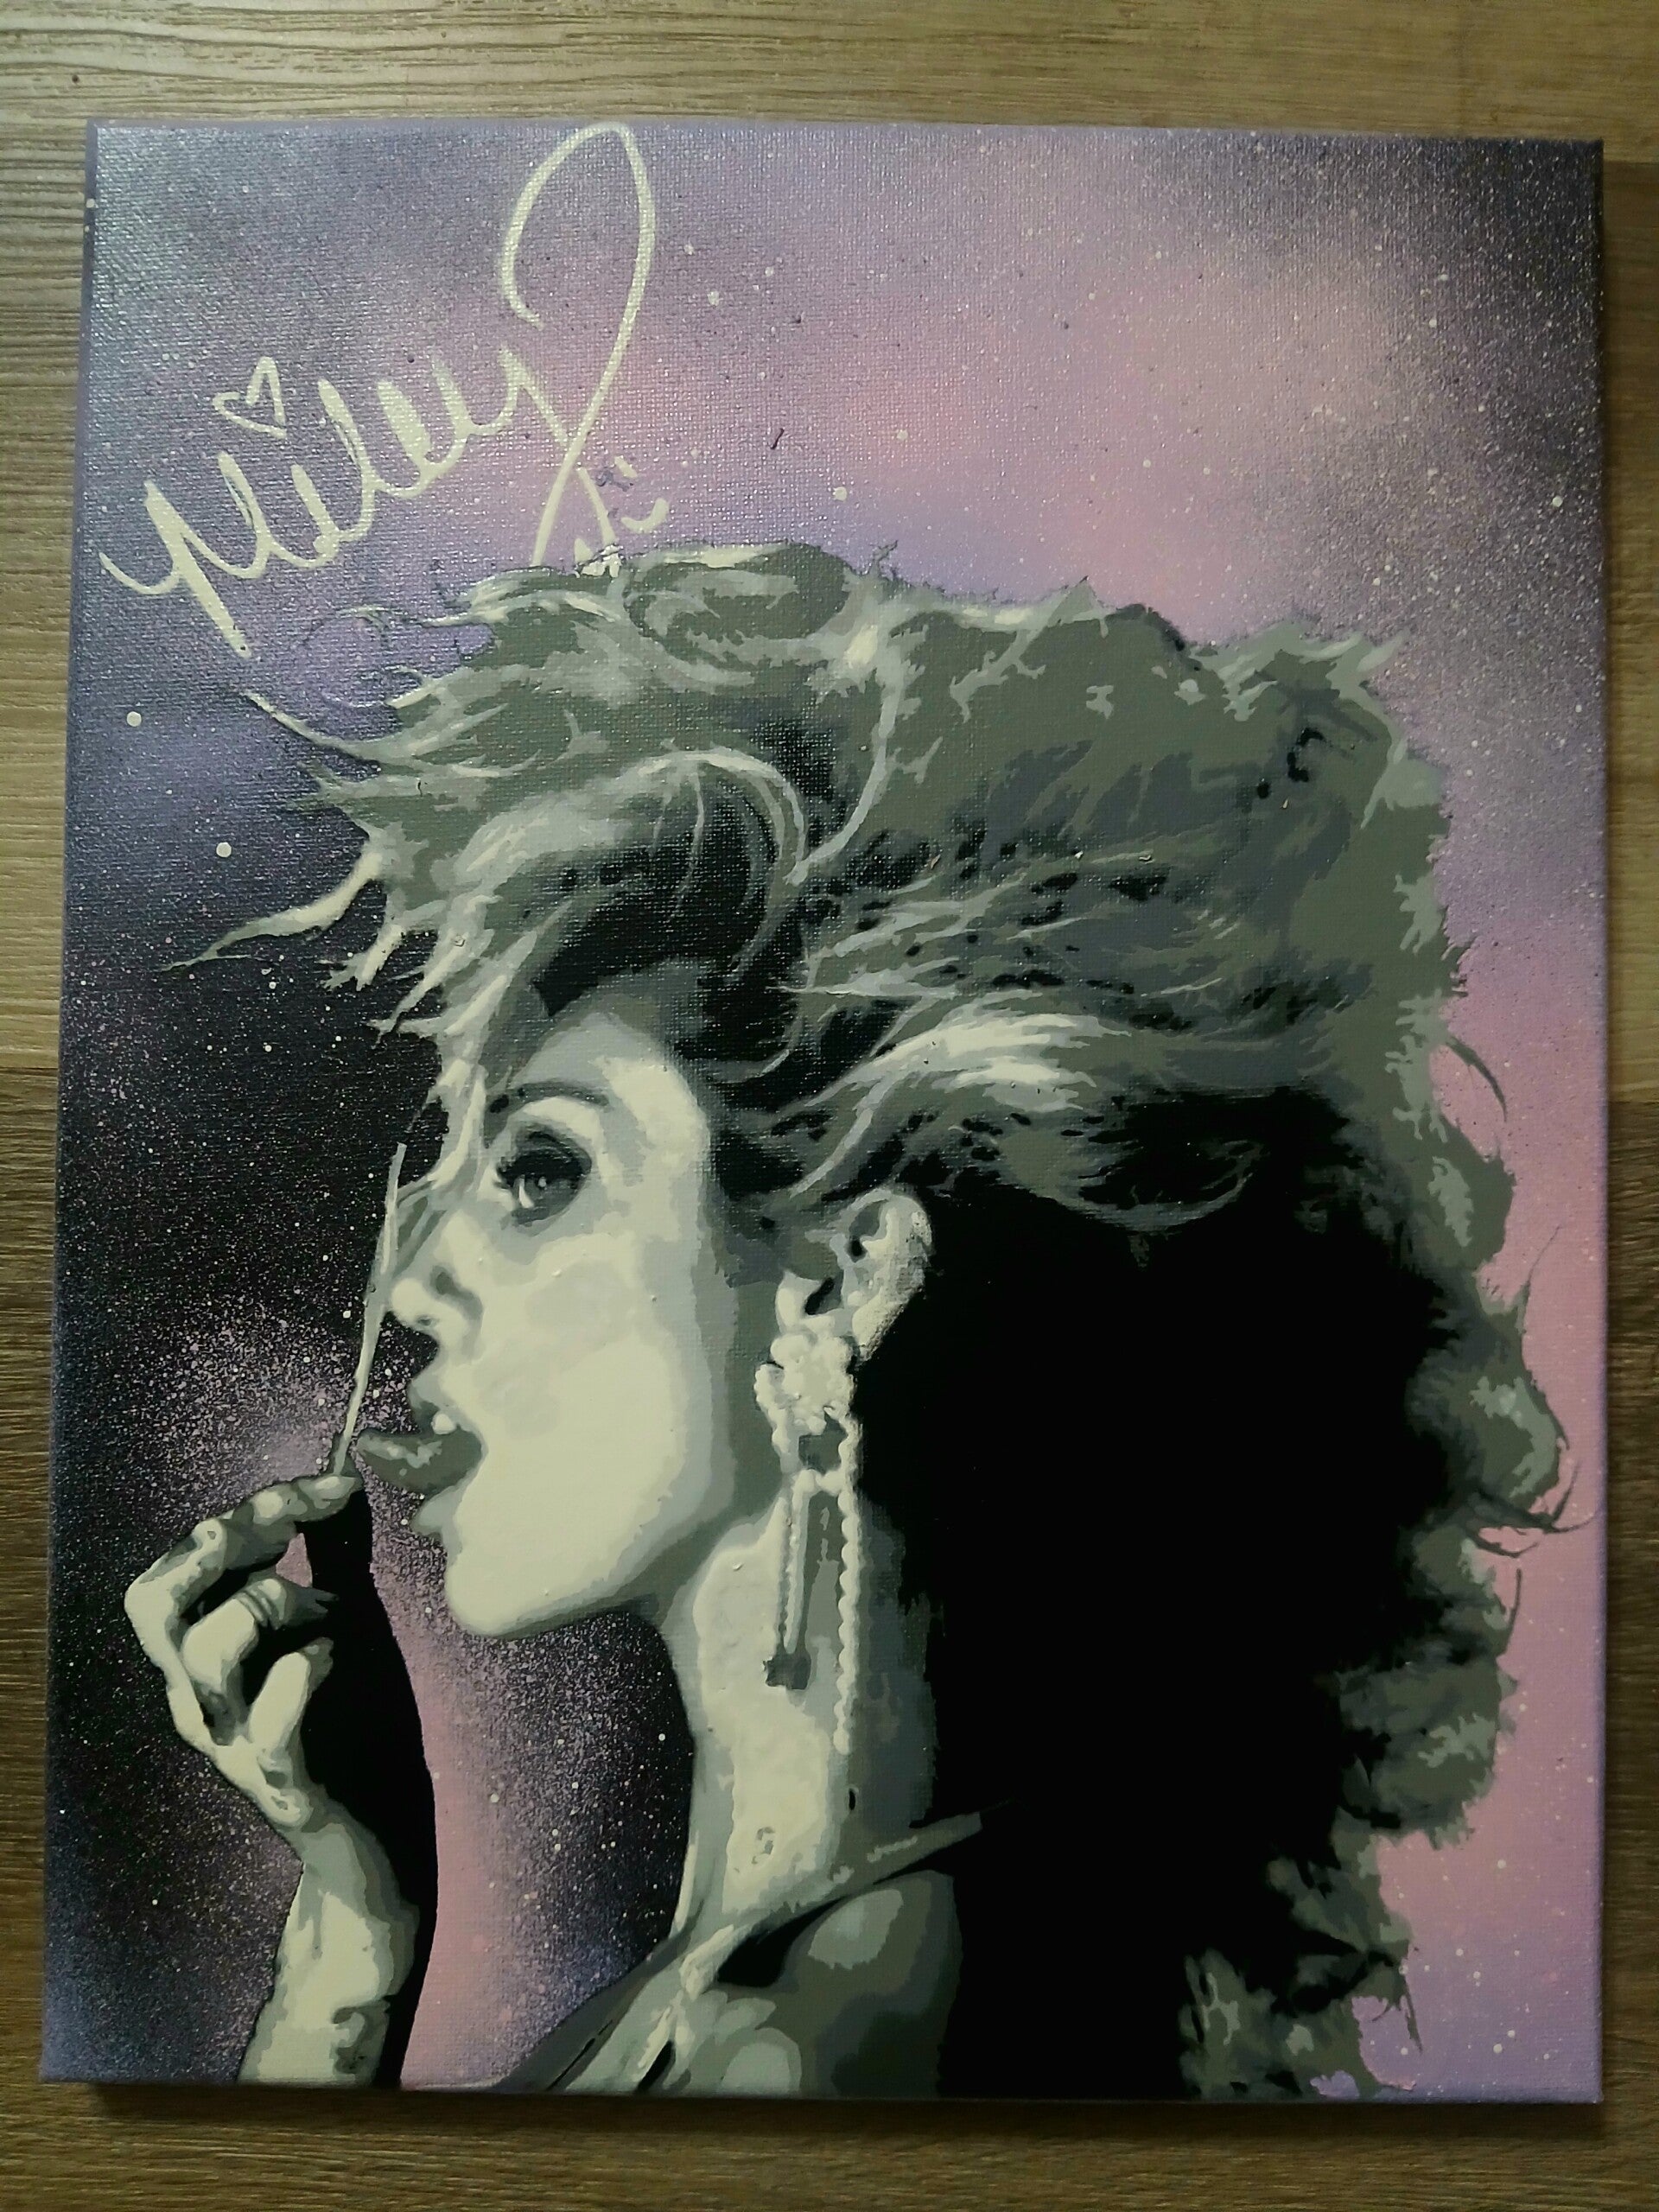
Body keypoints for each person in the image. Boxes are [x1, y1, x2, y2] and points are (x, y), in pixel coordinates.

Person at [124, 543, 1560, 2098]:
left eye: (540, 1172)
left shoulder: (830, 2037)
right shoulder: (722, 1999)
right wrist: (353, 1931)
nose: (412, 1284)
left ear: (849, 1271)